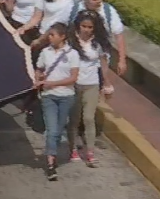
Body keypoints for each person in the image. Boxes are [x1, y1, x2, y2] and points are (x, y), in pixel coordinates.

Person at [34, 22, 79, 181]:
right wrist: (38, 78)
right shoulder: (45, 52)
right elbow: (39, 69)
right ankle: (51, 164)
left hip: (66, 96)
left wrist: (51, 83)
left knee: (58, 131)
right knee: (52, 130)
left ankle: (52, 150)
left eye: (52, 35)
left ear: (62, 36)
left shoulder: (72, 54)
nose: (49, 37)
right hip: (49, 97)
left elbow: (73, 78)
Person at [67, 10, 113, 167]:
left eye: (90, 27)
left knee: (88, 118)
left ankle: (90, 153)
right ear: (78, 26)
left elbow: (103, 65)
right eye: (83, 26)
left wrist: (106, 84)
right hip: (74, 85)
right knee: (74, 119)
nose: (86, 30)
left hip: (92, 85)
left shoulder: (98, 44)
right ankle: (73, 149)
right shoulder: (71, 42)